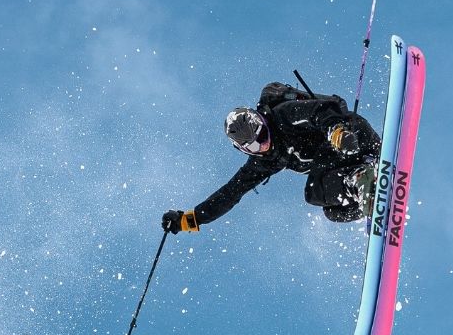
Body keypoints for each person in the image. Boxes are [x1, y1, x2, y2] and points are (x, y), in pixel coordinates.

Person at [163, 81, 382, 233]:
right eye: (255, 146)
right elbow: (230, 193)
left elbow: (319, 111)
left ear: (262, 121)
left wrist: (336, 131)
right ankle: (371, 200)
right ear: (245, 150)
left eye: (262, 135)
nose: (264, 145)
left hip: (353, 138)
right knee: (333, 212)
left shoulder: (283, 115)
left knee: (314, 190)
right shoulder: (264, 162)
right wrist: (187, 220)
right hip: (344, 165)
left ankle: (361, 181)